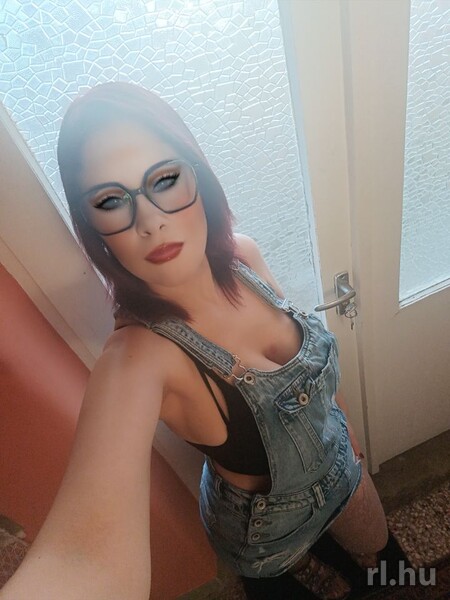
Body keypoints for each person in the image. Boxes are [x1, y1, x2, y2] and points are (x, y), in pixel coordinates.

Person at [1, 82, 388, 600]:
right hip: (263, 534)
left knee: (388, 562)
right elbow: (82, 560)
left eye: (164, 179)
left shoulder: (243, 257)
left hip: (344, 466)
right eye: (111, 200)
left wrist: (346, 426)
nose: (151, 221)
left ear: (197, 175)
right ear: (91, 224)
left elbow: (315, 379)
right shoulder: (138, 358)